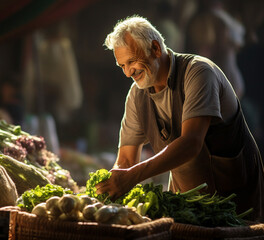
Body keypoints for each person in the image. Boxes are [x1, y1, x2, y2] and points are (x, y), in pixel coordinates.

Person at [95, 15, 264, 222]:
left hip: (235, 198)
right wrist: (110, 188)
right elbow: (127, 161)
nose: (128, 72)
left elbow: (191, 143)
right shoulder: (137, 95)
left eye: (131, 61)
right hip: (187, 203)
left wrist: (132, 176)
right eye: (122, 66)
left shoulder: (199, 72)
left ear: (156, 49)